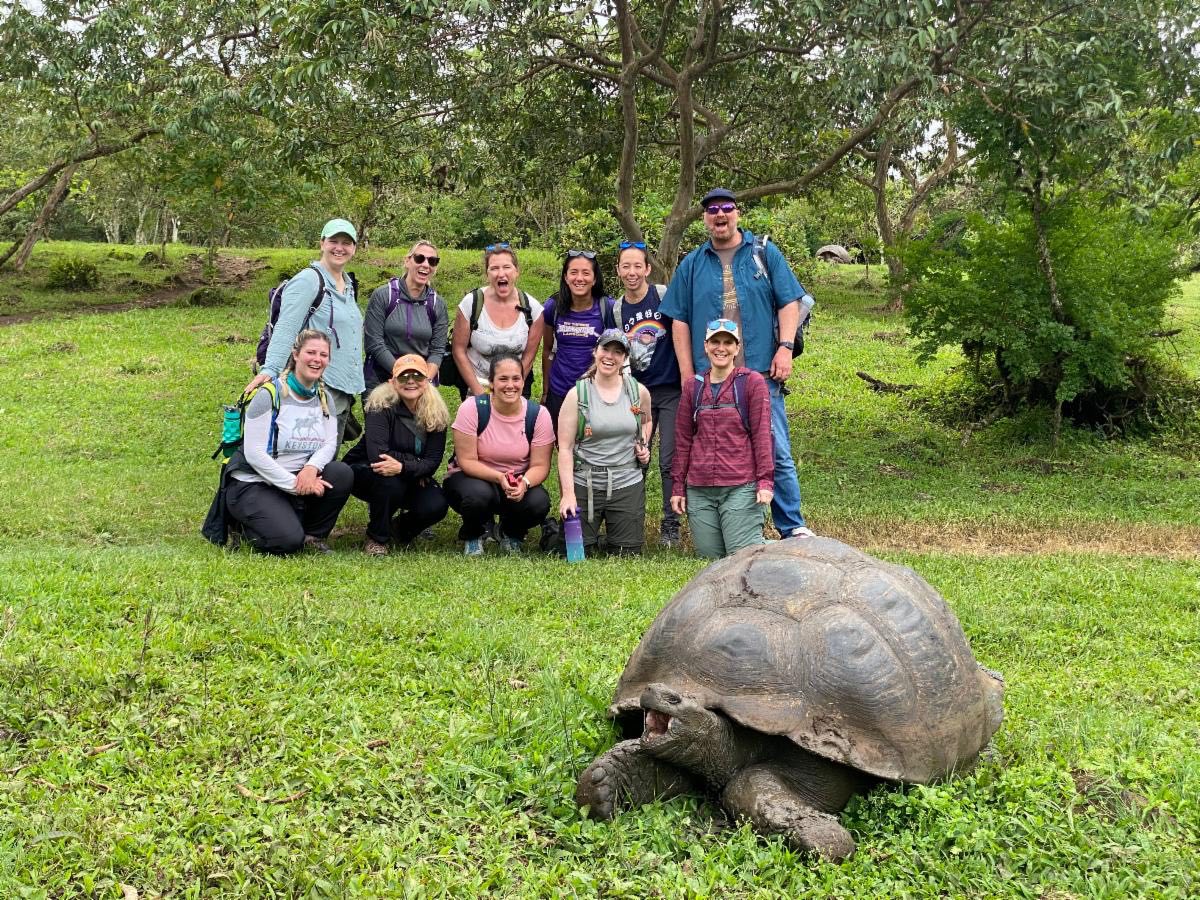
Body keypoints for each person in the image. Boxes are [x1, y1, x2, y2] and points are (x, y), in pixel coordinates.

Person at [660, 188, 814, 539]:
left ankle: (792, 526)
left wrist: (785, 348)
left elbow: (789, 301)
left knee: (775, 446)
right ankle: (722, 524)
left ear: (737, 213)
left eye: (726, 208)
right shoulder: (693, 263)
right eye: (712, 210)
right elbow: (678, 320)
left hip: (759, 370)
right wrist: (687, 373)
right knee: (711, 448)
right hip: (710, 379)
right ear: (704, 219)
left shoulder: (763, 253)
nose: (720, 215)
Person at [226, 330, 354, 555]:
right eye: (311, 352)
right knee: (287, 542)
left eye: (323, 355)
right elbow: (254, 453)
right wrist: (295, 485)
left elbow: (329, 444)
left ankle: (313, 536)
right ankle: (243, 527)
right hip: (256, 481)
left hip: (298, 476)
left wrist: (310, 468)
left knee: (341, 473)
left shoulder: (325, 398)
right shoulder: (269, 395)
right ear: (295, 355)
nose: (317, 359)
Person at [246, 218, 364, 446]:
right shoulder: (309, 280)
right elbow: (286, 327)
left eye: (346, 243)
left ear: (354, 248)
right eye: (334, 241)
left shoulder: (348, 285)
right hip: (315, 385)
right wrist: (270, 369)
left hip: (342, 386)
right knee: (308, 453)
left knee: (327, 456)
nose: (339, 248)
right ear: (322, 243)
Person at [670, 320, 773, 558]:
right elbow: (683, 440)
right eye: (715, 342)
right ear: (705, 346)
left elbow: (762, 435)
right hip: (700, 488)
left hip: (740, 485)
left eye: (728, 343)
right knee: (710, 559)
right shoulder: (692, 387)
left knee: (742, 556)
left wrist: (765, 482)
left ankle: (793, 553)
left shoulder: (751, 382)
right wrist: (678, 487)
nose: (721, 348)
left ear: (737, 348)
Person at [443, 354, 553, 556]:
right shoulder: (473, 408)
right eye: (503, 379)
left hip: (516, 479)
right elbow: (467, 461)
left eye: (516, 378)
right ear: (491, 382)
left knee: (539, 502)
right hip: (473, 477)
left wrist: (525, 483)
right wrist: (499, 477)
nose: (510, 385)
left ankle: (511, 533)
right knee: (478, 496)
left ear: (522, 380)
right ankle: (473, 534)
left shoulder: (538, 414)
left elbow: (541, 465)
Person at [556, 329, 652, 555]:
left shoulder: (638, 391)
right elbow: (565, 448)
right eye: (605, 349)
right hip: (585, 482)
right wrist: (568, 494)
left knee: (627, 555)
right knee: (574, 553)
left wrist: (643, 444)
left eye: (617, 352)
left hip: (626, 481)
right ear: (595, 351)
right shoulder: (577, 394)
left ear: (624, 358)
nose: (610, 356)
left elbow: (646, 421)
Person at [343, 354, 450, 556]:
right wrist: (415, 465)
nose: (410, 381)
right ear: (392, 381)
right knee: (390, 482)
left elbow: (433, 462)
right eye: (403, 376)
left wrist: (404, 467)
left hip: (404, 472)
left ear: (427, 381)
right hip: (366, 470)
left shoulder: (436, 412)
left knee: (436, 504)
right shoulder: (380, 405)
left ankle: (397, 529)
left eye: (417, 376)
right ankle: (377, 538)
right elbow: (378, 456)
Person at [614, 239, 682, 547]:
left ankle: (671, 525)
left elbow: (683, 330)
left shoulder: (664, 296)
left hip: (670, 392)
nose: (632, 272)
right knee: (637, 458)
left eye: (637, 266)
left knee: (668, 459)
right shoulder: (616, 310)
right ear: (618, 270)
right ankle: (632, 522)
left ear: (648, 269)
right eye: (625, 266)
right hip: (637, 395)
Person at [449, 243, 543, 398]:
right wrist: (478, 391)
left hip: (515, 387)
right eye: (494, 268)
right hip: (478, 383)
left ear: (517, 271)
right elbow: (458, 350)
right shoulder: (470, 304)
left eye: (507, 267)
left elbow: (529, 356)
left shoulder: (533, 309)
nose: (501, 274)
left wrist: (514, 387)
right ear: (487, 274)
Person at [540, 249, 615, 432]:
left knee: (591, 448)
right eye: (573, 272)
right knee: (562, 446)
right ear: (566, 277)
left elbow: (618, 354)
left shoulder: (608, 307)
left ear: (594, 279)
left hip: (595, 392)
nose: (579, 278)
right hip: (559, 390)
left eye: (586, 273)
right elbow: (548, 350)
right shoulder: (553, 307)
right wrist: (545, 391)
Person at [362, 240, 448, 393]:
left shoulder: (438, 304)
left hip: (420, 382)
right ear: (407, 261)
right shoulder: (383, 295)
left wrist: (424, 380)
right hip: (382, 380)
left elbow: (437, 350)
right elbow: (374, 342)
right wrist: (403, 374)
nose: (426, 265)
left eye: (432, 261)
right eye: (419, 258)